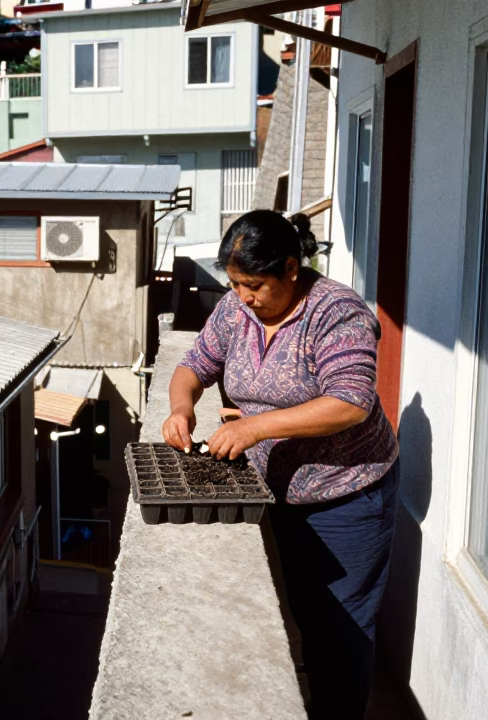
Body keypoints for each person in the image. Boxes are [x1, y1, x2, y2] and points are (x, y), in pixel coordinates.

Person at [161, 210, 399, 719]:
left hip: (347, 494)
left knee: (342, 627)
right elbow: (192, 366)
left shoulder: (337, 313)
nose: (244, 296)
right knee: (307, 613)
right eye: (236, 284)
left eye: (255, 285)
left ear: (292, 269)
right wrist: (181, 407)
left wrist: (253, 427)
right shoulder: (235, 310)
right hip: (281, 489)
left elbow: (351, 401)